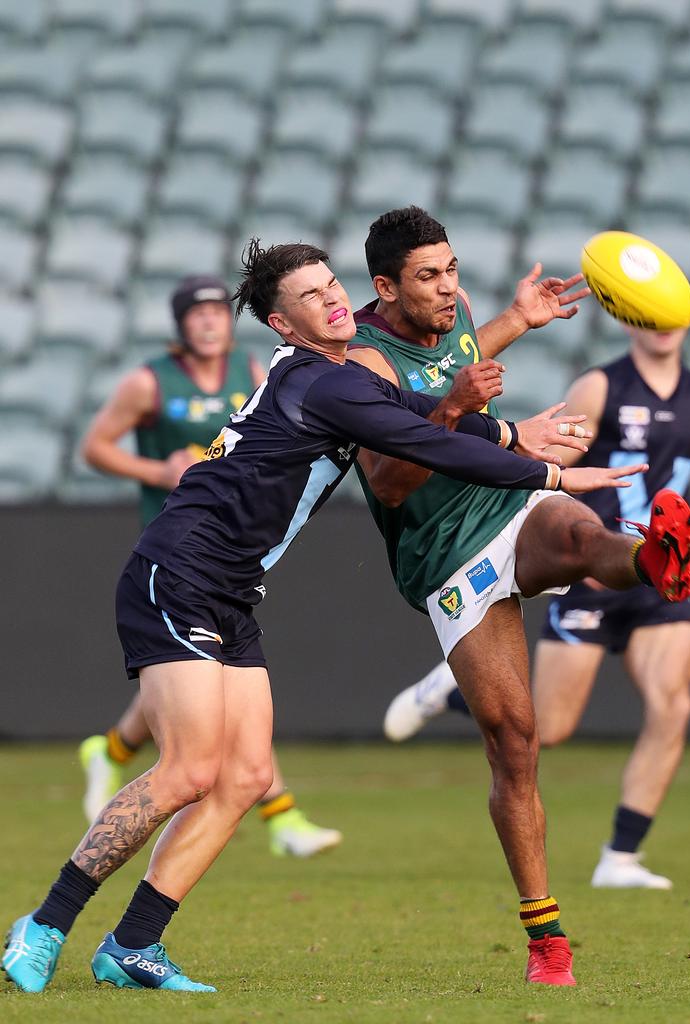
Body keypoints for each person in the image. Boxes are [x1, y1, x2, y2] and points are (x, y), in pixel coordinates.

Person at [3, 242, 646, 995]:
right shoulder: (317, 381)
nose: (332, 299)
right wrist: (552, 472)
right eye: (309, 296)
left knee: (243, 779)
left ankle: (134, 943)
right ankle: (44, 925)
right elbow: (423, 440)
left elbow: (422, 414)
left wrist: (509, 431)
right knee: (189, 770)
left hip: (233, 590)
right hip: (177, 573)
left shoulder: (343, 379)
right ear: (284, 325)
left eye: (331, 283)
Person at [344, 207, 690, 985]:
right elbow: (390, 483)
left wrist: (516, 320)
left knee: (578, 536)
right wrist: (460, 409)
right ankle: (546, 941)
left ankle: (654, 558)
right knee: (516, 744)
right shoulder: (364, 366)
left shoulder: (460, 312)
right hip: (441, 554)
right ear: (385, 287)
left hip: (505, 497)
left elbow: (464, 353)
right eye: (428, 277)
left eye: (453, 269)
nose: (448, 288)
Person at [383, 315, 690, 889]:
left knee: (673, 705)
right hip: (593, 561)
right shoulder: (601, 386)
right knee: (548, 728)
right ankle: (453, 690)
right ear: (631, 317)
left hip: (660, 569)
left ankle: (621, 857)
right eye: (649, 316)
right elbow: (555, 452)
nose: (662, 328)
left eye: (670, 316)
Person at [77, 274, 342, 858]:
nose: (208, 322)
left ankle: (113, 752)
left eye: (218, 312)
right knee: (209, 709)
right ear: (179, 326)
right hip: (177, 543)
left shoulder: (257, 372)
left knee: (201, 694)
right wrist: (156, 470)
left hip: (233, 546)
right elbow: (95, 446)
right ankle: (283, 817)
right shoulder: (148, 382)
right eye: (195, 314)